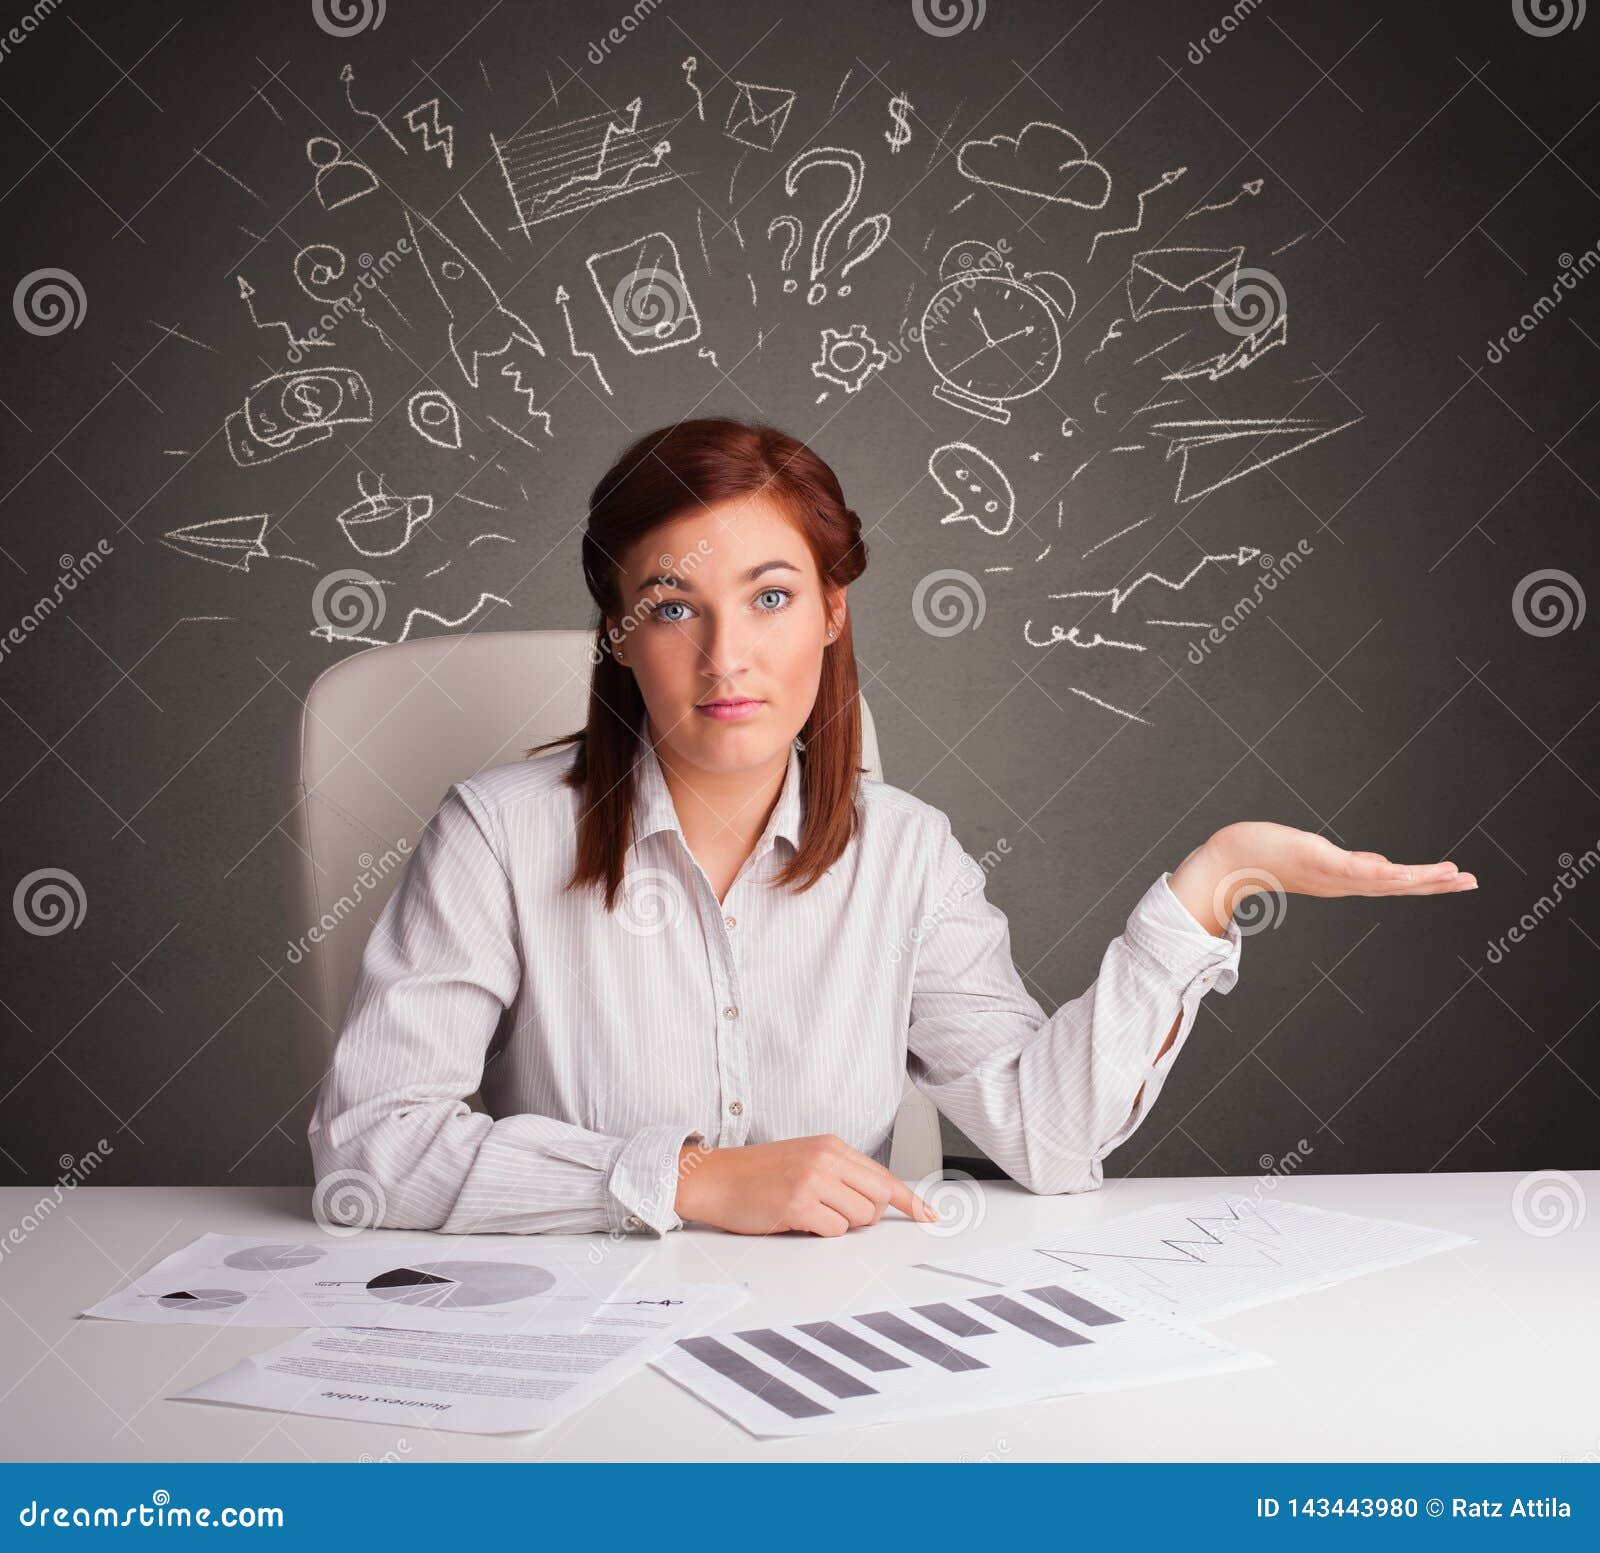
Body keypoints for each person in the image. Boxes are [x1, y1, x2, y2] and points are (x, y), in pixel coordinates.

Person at [307, 418, 1475, 1239]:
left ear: (829, 612)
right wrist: (692, 1179)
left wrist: (1215, 879)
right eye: (672, 608)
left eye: (770, 596)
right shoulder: (497, 835)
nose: (726, 657)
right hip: (565, 1352)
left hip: (835, 1354)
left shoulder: (908, 855)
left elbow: (1048, 1137)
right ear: (619, 634)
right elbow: (368, 1152)